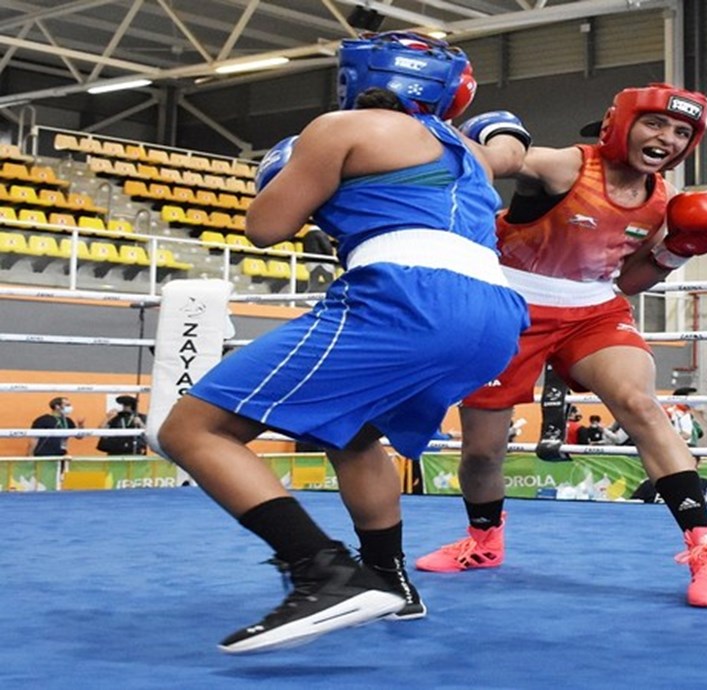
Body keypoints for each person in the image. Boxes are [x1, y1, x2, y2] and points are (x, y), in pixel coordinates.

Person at [156, 31, 532, 654]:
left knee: (192, 430)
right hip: (496, 317)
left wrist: (292, 171)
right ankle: (389, 581)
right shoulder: (471, 153)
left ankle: (322, 573)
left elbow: (265, 227)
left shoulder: (341, 128)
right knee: (350, 430)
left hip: (409, 300)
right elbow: (509, 154)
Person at [415, 83, 707, 608]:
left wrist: (678, 250)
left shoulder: (661, 201)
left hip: (593, 309)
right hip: (509, 306)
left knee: (640, 405)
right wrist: (485, 137)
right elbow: (504, 160)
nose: (667, 138)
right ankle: (483, 541)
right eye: (656, 123)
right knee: (482, 450)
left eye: (682, 132)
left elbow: (629, 280)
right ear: (621, 124)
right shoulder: (567, 167)